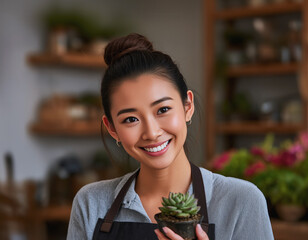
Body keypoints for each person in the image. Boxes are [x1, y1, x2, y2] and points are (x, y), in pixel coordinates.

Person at [66, 33, 274, 240]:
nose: (151, 132)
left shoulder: (241, 201)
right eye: (130, 119)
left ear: (187, 107)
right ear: (112, 129)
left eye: (163, 109)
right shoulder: (91, 203)